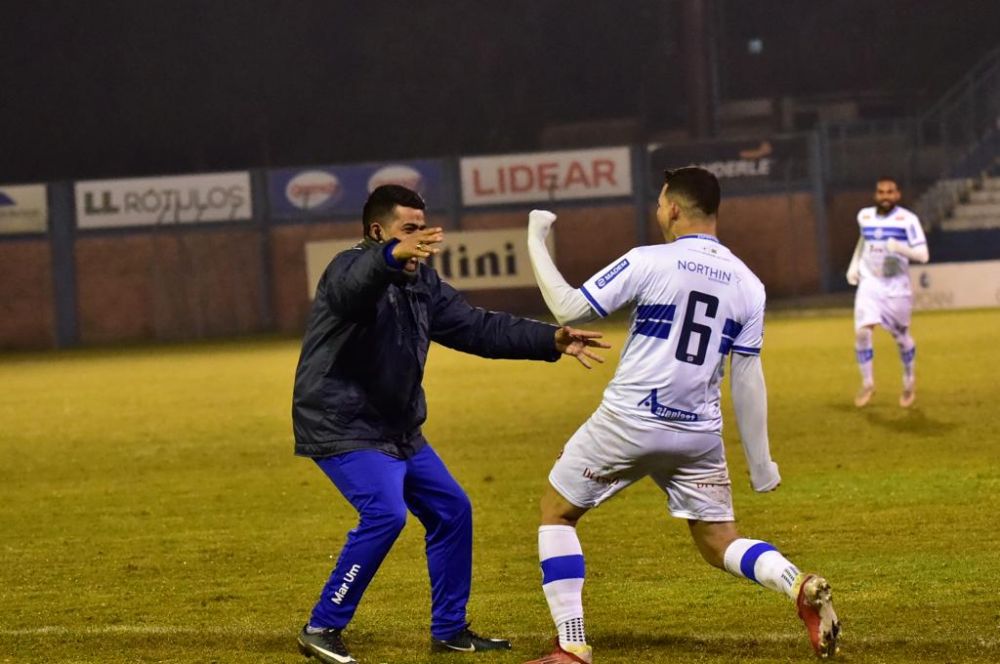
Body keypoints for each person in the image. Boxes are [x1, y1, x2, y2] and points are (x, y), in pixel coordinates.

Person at [521, 167, 841, 663]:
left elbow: (569, 308)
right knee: (719, 541)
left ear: (672, 208)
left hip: (629, 420)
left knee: (557, 512)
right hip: (697, 433)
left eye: (659, 201)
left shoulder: (648, 260)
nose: (657, 210)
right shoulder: (749, 284)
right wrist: (762, 465)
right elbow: (747, 378)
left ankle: (572, 643)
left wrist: (536, 237)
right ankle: (795, 584)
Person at [292, 184, 609, 664]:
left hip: (396, 427)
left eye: (424, 229)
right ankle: (321, 626)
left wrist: (551, 339)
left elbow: (477, 327)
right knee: (385, 513)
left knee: (452, 510)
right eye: (408, 231)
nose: (421, 240)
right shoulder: (348, 269)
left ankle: (450, 630)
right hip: (341, 422)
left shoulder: (423, 284)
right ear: (378, 232)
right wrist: (389, 258)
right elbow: (355, 288)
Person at [846, 176, 929, 408]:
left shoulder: (908, 220)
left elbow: (923, 255)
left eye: (890, 192)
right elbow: (864, 241)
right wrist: (854, 266)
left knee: (901, 338)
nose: (885, 196)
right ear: (876, 195)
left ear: (898, 195)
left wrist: (899, 247)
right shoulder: (865, 216)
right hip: (870, 284)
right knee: (862, 332)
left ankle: (909, 379)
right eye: (881, 192)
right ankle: (868, 382)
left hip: (896, 288)